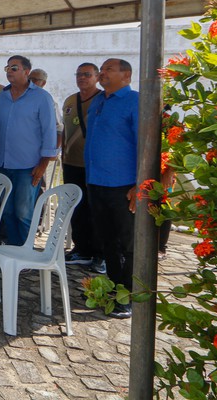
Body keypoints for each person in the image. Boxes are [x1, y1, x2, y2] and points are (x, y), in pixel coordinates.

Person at [84, 58, 140, 319]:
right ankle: (113, 289)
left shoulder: (135, 101)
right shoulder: (98, 101)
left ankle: (128, 296)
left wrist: (141, 183)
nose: (102, 73)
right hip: (97, 182)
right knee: (108, 241)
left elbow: (145, 145)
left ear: (126, 75)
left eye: (108, 69)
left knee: (127, 244)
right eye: (102, 69)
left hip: (124, 186)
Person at [0, 55, 58, 247]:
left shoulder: (41, 97)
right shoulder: (3, 97)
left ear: (27, 71)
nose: (9, 72)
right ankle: (14, 249)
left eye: (14, 68)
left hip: (28, 165)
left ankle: (26, 252)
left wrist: (43, 164)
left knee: (23, 212)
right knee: (7, 210)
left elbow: (49, 131)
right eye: (8, 68)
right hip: (3, 163)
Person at [61, 62, 103, 272]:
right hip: (71, 163)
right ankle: (82, 249)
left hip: (95, 166)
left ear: (97, 77)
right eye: (79, 74)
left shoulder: (103, 100)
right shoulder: (70, 100)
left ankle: (100, 253)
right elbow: (65, 131)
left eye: (87, 74)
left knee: (97, 209)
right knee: (77, 208)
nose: (82, 78)